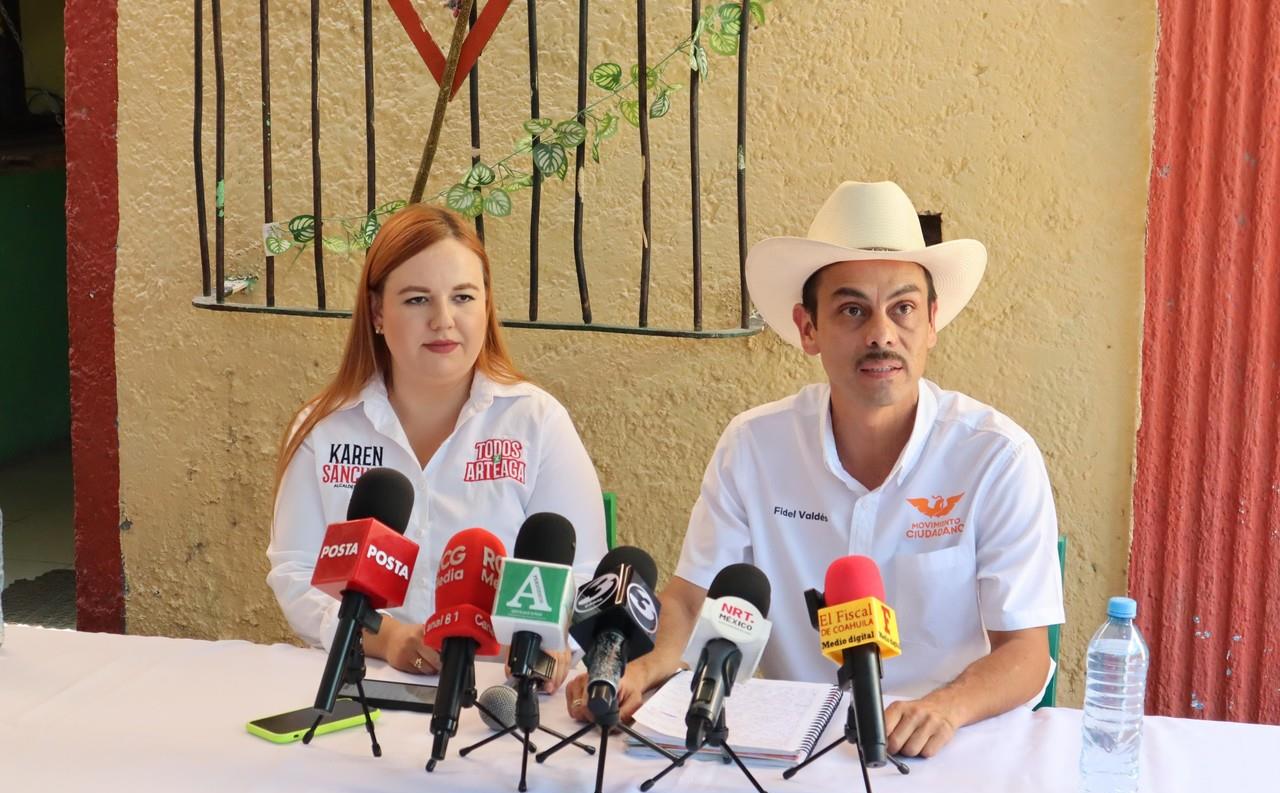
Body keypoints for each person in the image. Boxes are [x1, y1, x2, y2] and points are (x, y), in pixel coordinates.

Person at [565, 181, 1064, 758]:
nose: (881, 334)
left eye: (902, 308)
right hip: (773, 750)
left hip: (940, 750)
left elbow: (1027, 652)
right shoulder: (753, 445)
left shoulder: (996, 457)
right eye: (852, 310)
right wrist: (649, 665)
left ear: (931, 322)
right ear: (808, 329)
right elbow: (689, 598)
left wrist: (945, 708)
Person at [268, 204, 606, 679]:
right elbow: (297, 573)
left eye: (463, 297)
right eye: (416, 299)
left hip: (503, 689)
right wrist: (384, 638)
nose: (444, 320)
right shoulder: (324, 431)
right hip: (367, 681)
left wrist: (541, 653)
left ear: (487, 305)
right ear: (376, 313)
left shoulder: (537, 422)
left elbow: (585, 574)